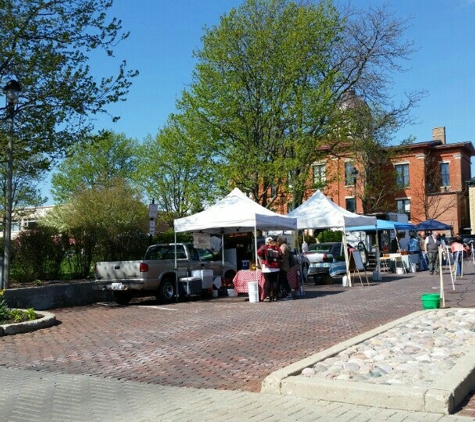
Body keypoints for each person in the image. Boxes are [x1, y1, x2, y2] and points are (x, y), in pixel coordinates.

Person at [257, 237, 282, 302]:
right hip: (276, 268)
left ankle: (267, 296)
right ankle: (275, 296)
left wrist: (262, 257)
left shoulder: (265, 247)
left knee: (267, 282)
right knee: (275, 282)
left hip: (267, 268)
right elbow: (281, 256)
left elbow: (259, 252)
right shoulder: (277, 247)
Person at [277, 236, 292, 300]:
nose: (277, 242)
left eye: (278, 241)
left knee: (283, 281)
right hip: (286, 266)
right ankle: (288, 293)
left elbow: (281, 256)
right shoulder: (286, 246)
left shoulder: (283, 247)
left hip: (283, 266)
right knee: (284, 280)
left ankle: (287, 294)